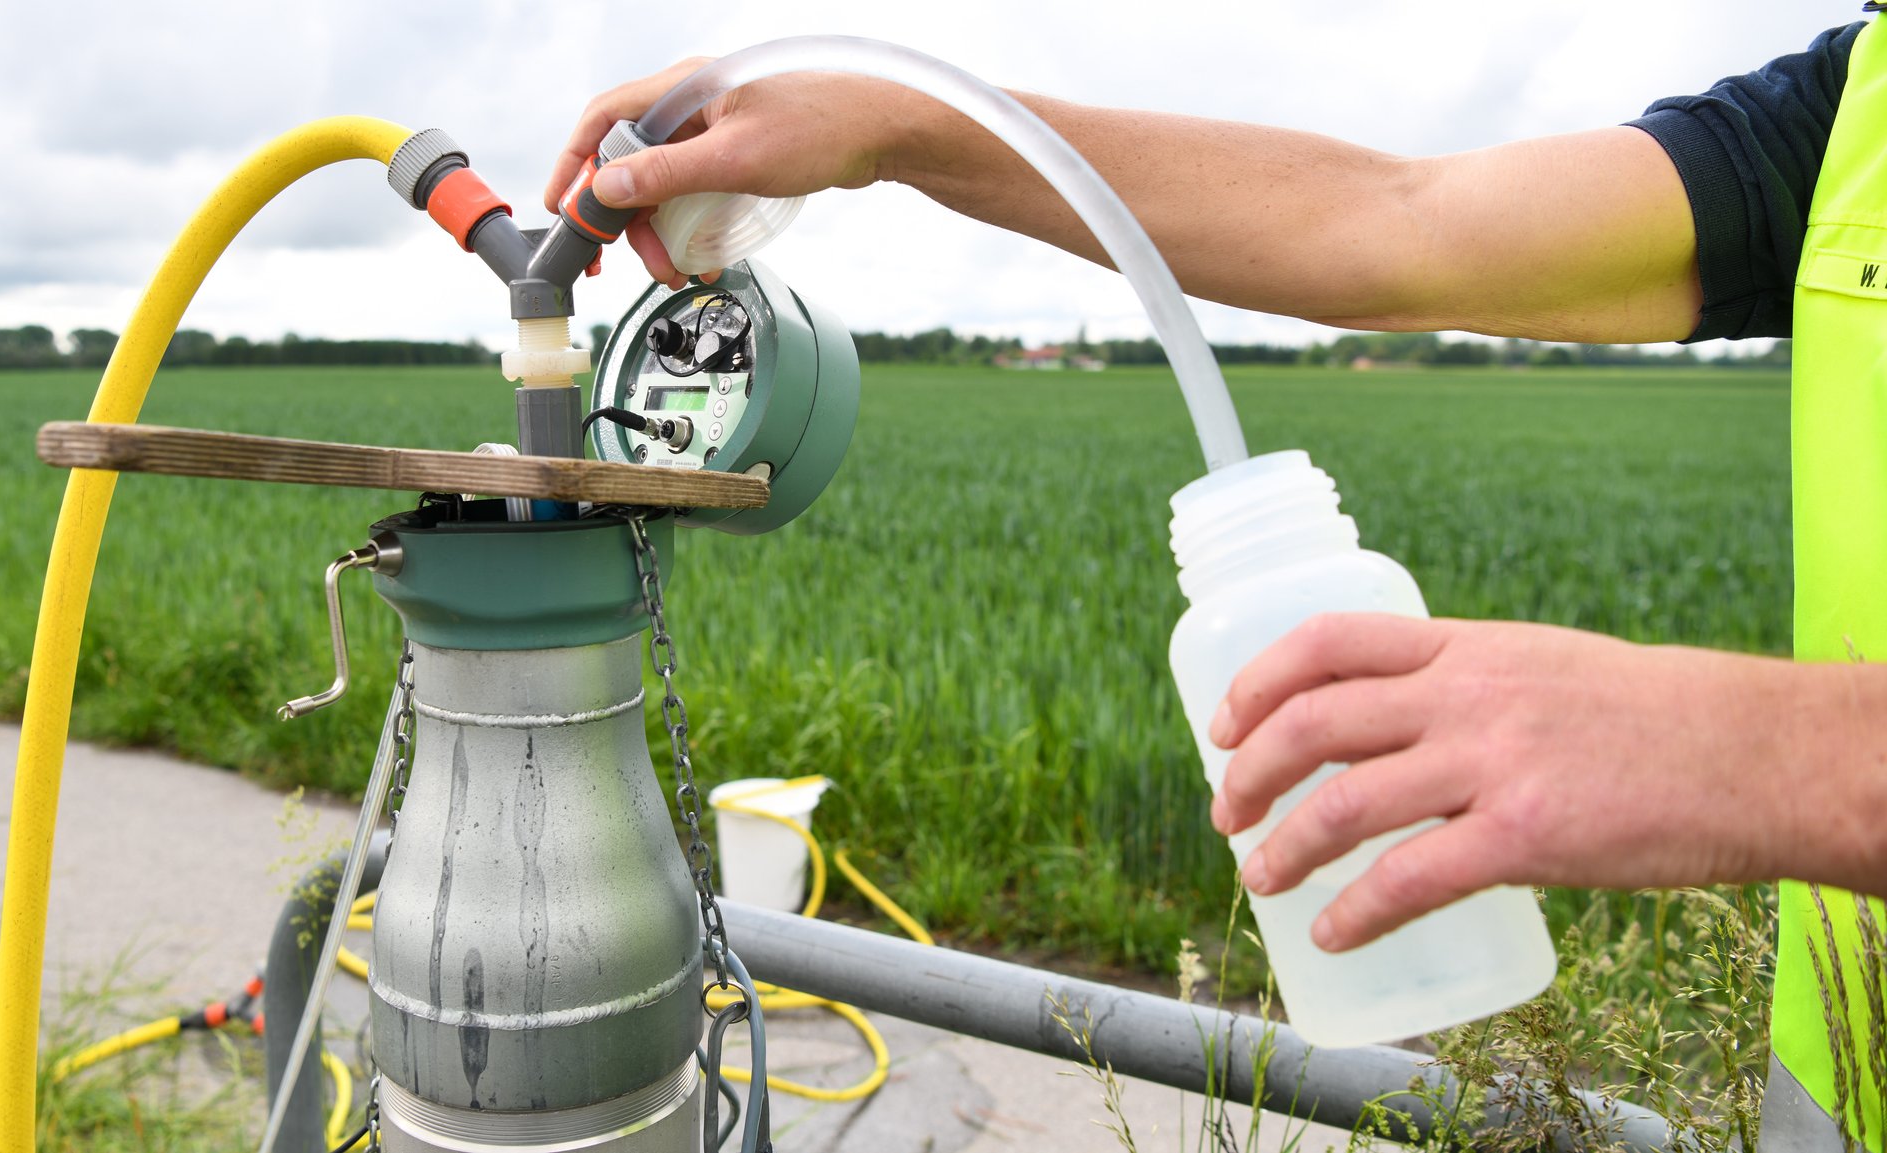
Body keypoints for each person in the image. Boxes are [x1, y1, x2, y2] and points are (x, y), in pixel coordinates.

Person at [553, 20, 1886, 1148]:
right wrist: (900, 130)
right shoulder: (1861, 98)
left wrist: (1784, 753)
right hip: (1836, 1073)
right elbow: (1407, 222)